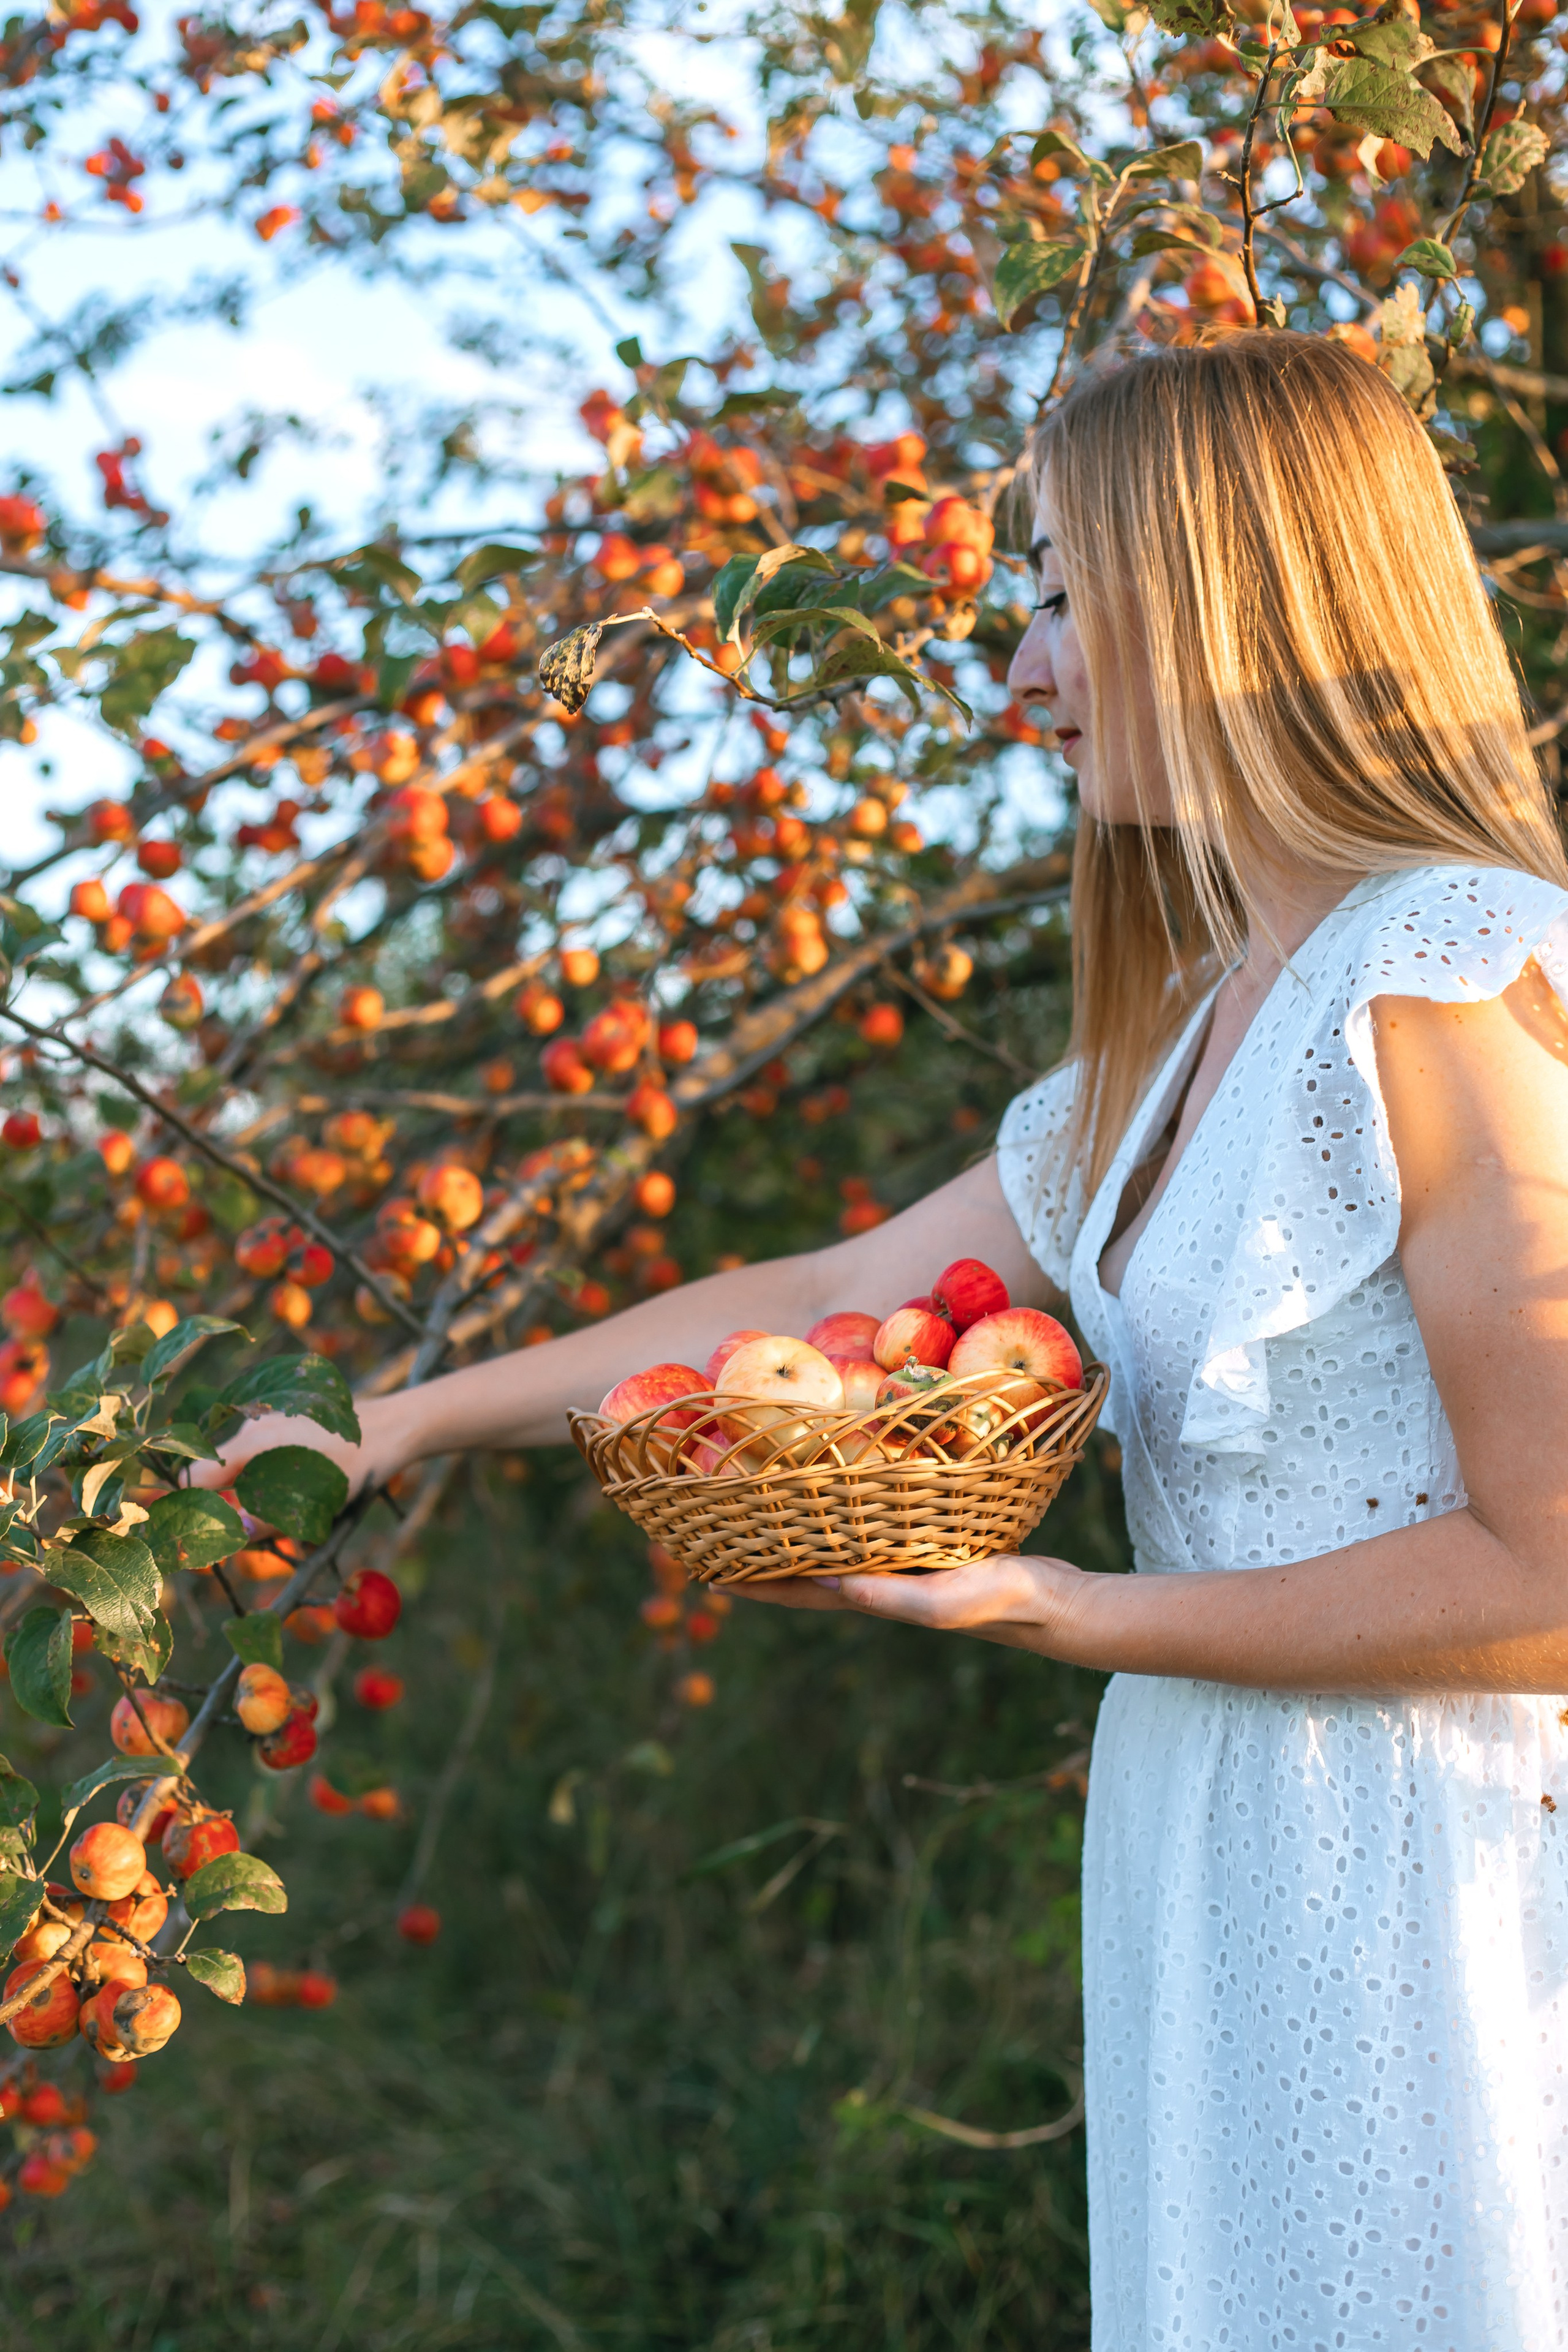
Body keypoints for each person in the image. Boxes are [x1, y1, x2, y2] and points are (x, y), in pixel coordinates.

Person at [211, 333, 1568, 2350]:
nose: (1018, 667)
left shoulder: (1441, 976)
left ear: (1224, 583)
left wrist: (1062, 1610)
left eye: (1054, 595)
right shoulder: (1192, 1035)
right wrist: (397, 1423)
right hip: (1224, 1837)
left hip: (1430, 1861)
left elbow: (1550, 1582)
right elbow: (804, 1298)